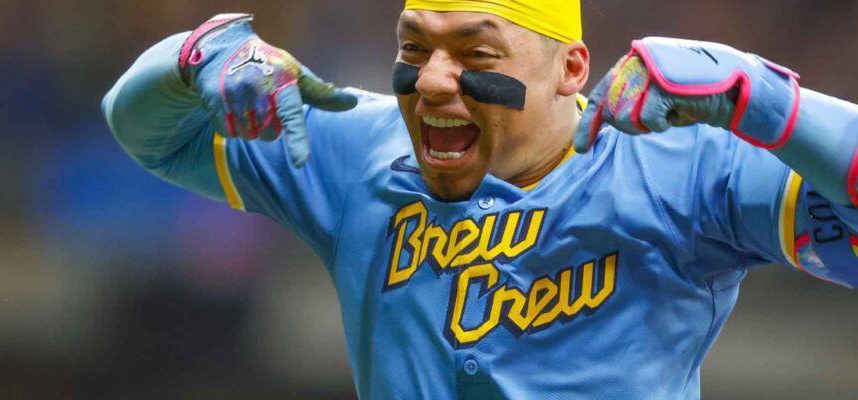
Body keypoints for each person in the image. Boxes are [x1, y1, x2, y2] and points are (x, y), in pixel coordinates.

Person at [102, 1, 857, 398]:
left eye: (475, 53)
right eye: (414, 46)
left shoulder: (685, 166)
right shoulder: (355, 146)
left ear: (571, 70)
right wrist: (198, 56)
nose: (432, 79)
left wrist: (765, 100)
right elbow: (152, 135)